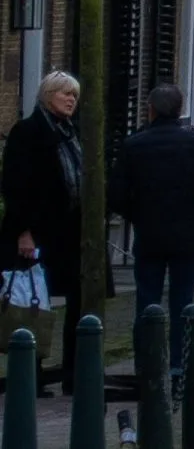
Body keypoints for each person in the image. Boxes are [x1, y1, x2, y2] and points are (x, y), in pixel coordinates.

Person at [111, 83, 194, 383]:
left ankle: (146, 365)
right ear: (180, 110)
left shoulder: (134, 145)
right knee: (183, 303)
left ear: (151, 109)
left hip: (150, 237)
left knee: (147, 302)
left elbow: (117, 195)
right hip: (187, 238)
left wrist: (140, 217)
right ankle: (178, 366)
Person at [2, 71, 84, 391]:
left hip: (70, 232)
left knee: (79, 300)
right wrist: (24, 231)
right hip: (38, 231)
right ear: (48, 95)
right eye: (65, 93)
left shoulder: (71, 132)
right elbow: (15, 184)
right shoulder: (28, 132)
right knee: (32, 300)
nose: (70, 100)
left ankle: (74, 374)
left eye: (74, 95)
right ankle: (29, 376)